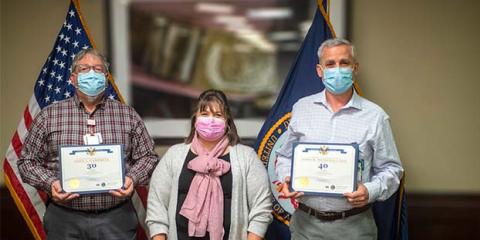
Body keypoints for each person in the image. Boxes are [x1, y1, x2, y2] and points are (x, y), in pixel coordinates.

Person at [18, 48, 159, 240]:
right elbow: (27, 161)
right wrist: (50, 183)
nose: (92, 74)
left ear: (106, 77)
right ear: (73, 78)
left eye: (98, 69)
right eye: (84, 69)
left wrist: (132, 178)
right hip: (64, 219)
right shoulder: (49, 116)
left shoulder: (127, 115)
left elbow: (148, 157)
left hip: (116, 218)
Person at [276, 38, 404, 240]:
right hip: (305, 227)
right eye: (330, 64)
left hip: (355, 228)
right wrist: (287, 178)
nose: (337, 69)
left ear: (355, 68)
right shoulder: (302, 108)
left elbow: (392, 169)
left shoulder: (375, 116)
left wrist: (370, 191)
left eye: (344, 63)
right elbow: (284, 157)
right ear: (320, 70)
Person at [146, 89, 272, 240]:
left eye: (218, 115)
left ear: (227, 122)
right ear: (195, 120)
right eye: (205, 114)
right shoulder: (174, 155)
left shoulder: (247, 157)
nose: (211, 120)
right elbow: (157, 203)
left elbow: (261, 208)